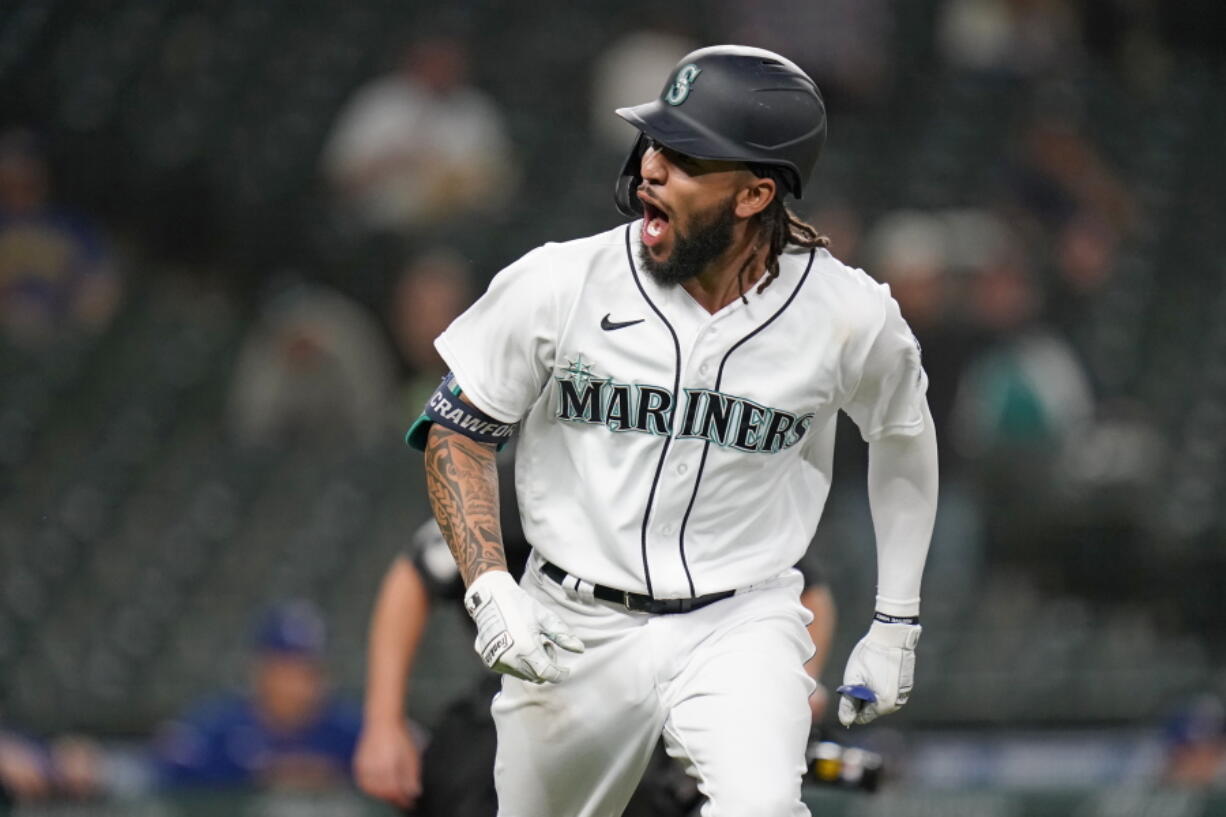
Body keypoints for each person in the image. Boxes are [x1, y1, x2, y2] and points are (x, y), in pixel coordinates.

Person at [404, 46, 938, 817]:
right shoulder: (563, 281)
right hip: (574, 622)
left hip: (741, 620)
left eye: (685, 157)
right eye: (655, 142)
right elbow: (456, 429)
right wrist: (490, 586)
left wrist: (896, 620)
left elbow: (903, 439)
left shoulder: (848, 315)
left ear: (755, 193)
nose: (651, 166)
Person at [353, 475, 838, 814]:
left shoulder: (696, 483)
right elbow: (415, 574)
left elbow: (804, 586)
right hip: (534, 698)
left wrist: (796, 684)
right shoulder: (530, 481)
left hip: (666, 709)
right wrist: (383, 722)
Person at [153, 601, 362, 791]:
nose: (297, 684)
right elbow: (167, 773)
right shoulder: (217, 728)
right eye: (285, 669)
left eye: (308, 670)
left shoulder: (352, 732)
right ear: (259, 670)